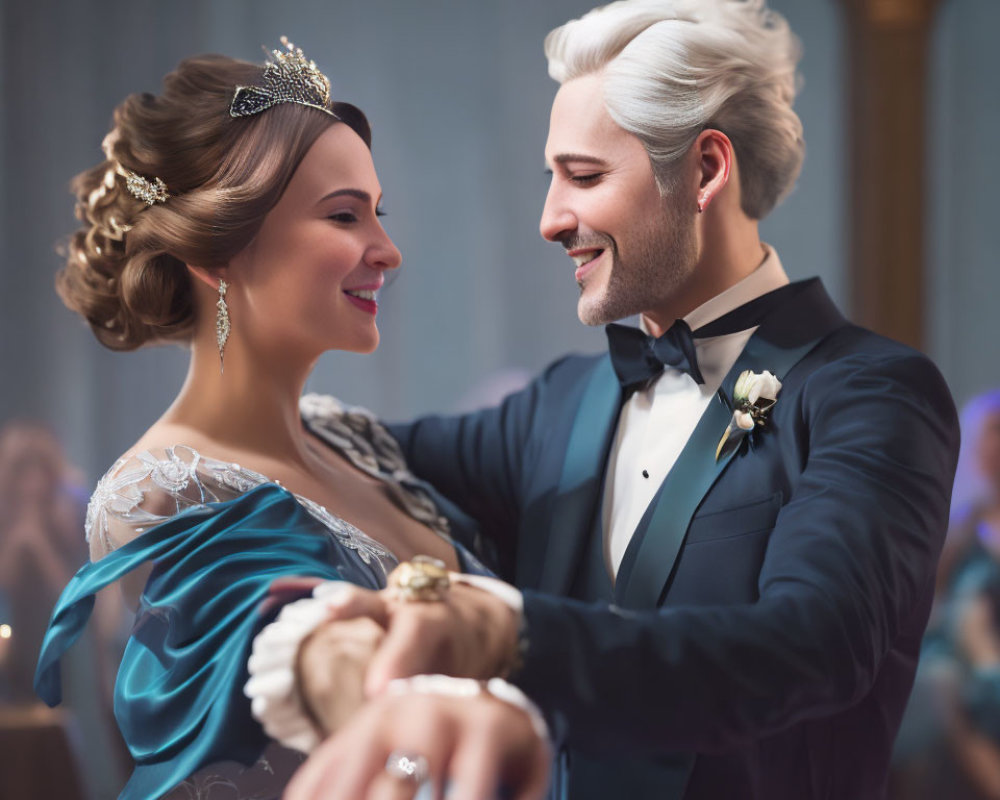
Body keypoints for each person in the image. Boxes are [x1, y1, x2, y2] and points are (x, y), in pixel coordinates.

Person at [276, 1, 960, 798]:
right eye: (550, 178)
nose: (549, 220)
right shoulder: (562, 402)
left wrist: (509, 634)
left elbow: (810, 648)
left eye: (585, 176)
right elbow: (348, 452)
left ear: (705, 170)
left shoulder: (872, 394)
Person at [34, 40, 549, 800]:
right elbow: (285, 650)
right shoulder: (164, 490)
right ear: (219, 252)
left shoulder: (349, 434)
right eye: (345, 215)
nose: (388, 250)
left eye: (379, 214)